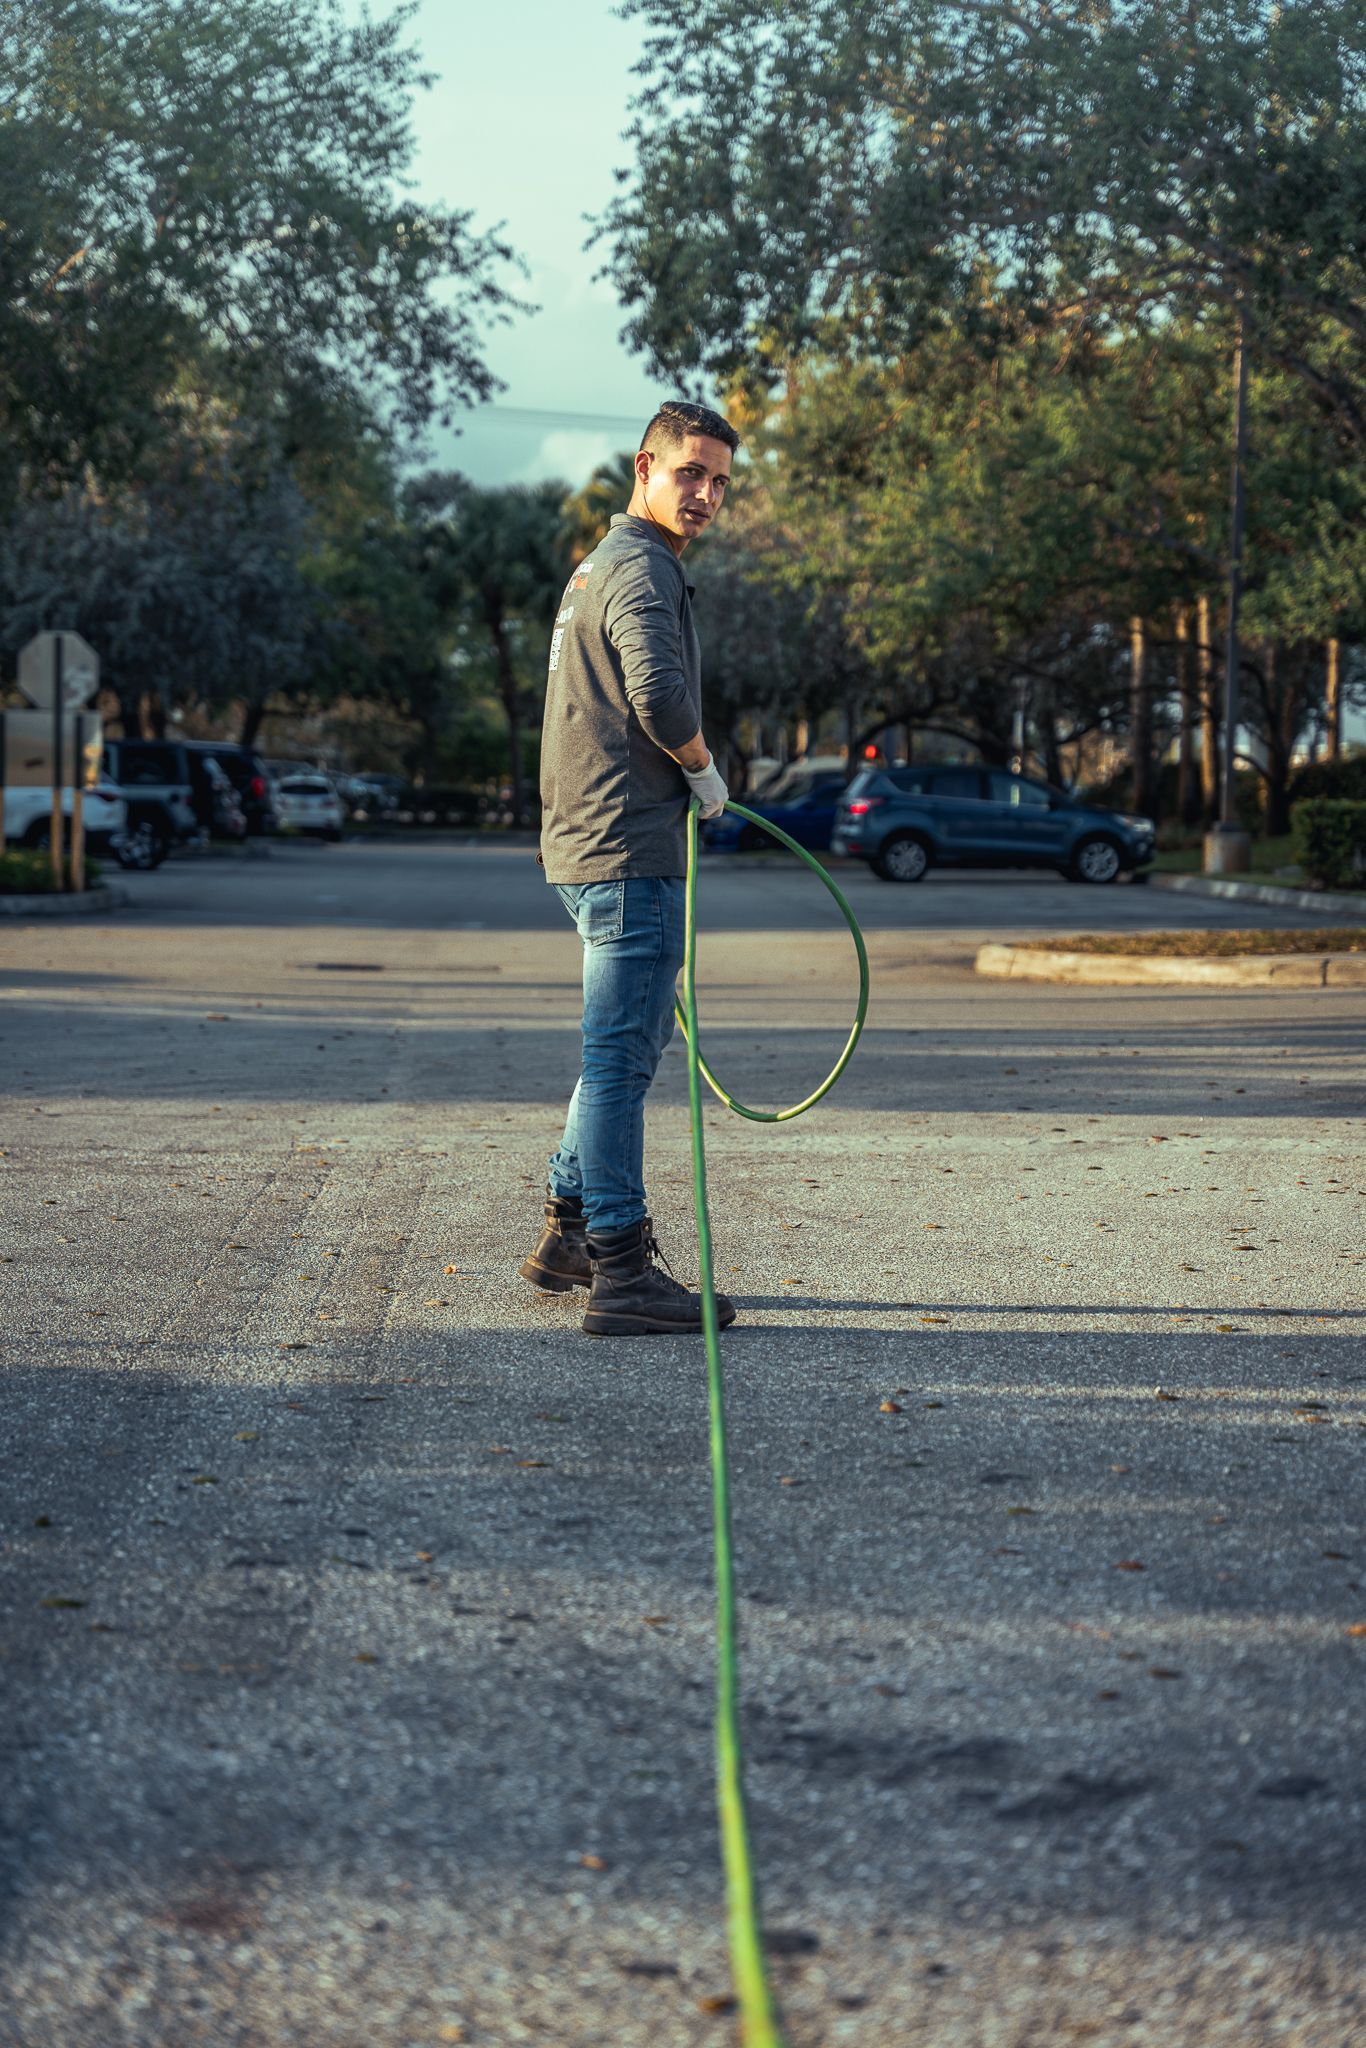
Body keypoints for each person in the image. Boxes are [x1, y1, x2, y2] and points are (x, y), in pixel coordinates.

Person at [520, 399, 740, 1336]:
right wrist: (703, 771)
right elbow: (655, 691)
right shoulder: (641, 571)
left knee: (617, 1052)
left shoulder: (600, 566)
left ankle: (570, 1233)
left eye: (721, 482)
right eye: (689, 472)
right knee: (619, 1062)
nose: (705, 494)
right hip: (626, 848)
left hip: (587, 844)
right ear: (643, 467)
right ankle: (621, 1268)